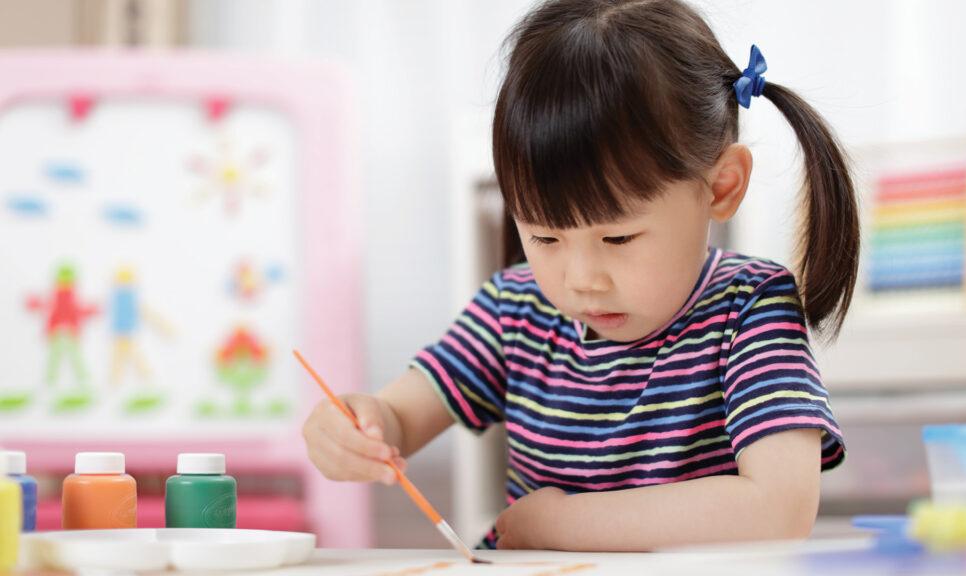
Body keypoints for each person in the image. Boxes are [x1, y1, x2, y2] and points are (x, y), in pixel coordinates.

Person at [304, 0, 858, 552]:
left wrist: (557, 524)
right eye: (545, 238)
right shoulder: (513, 310)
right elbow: (398, 416)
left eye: (617, 238)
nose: (582, 279)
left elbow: (780, 509)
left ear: (720, 187)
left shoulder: (749, 308)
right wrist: (358, 428)